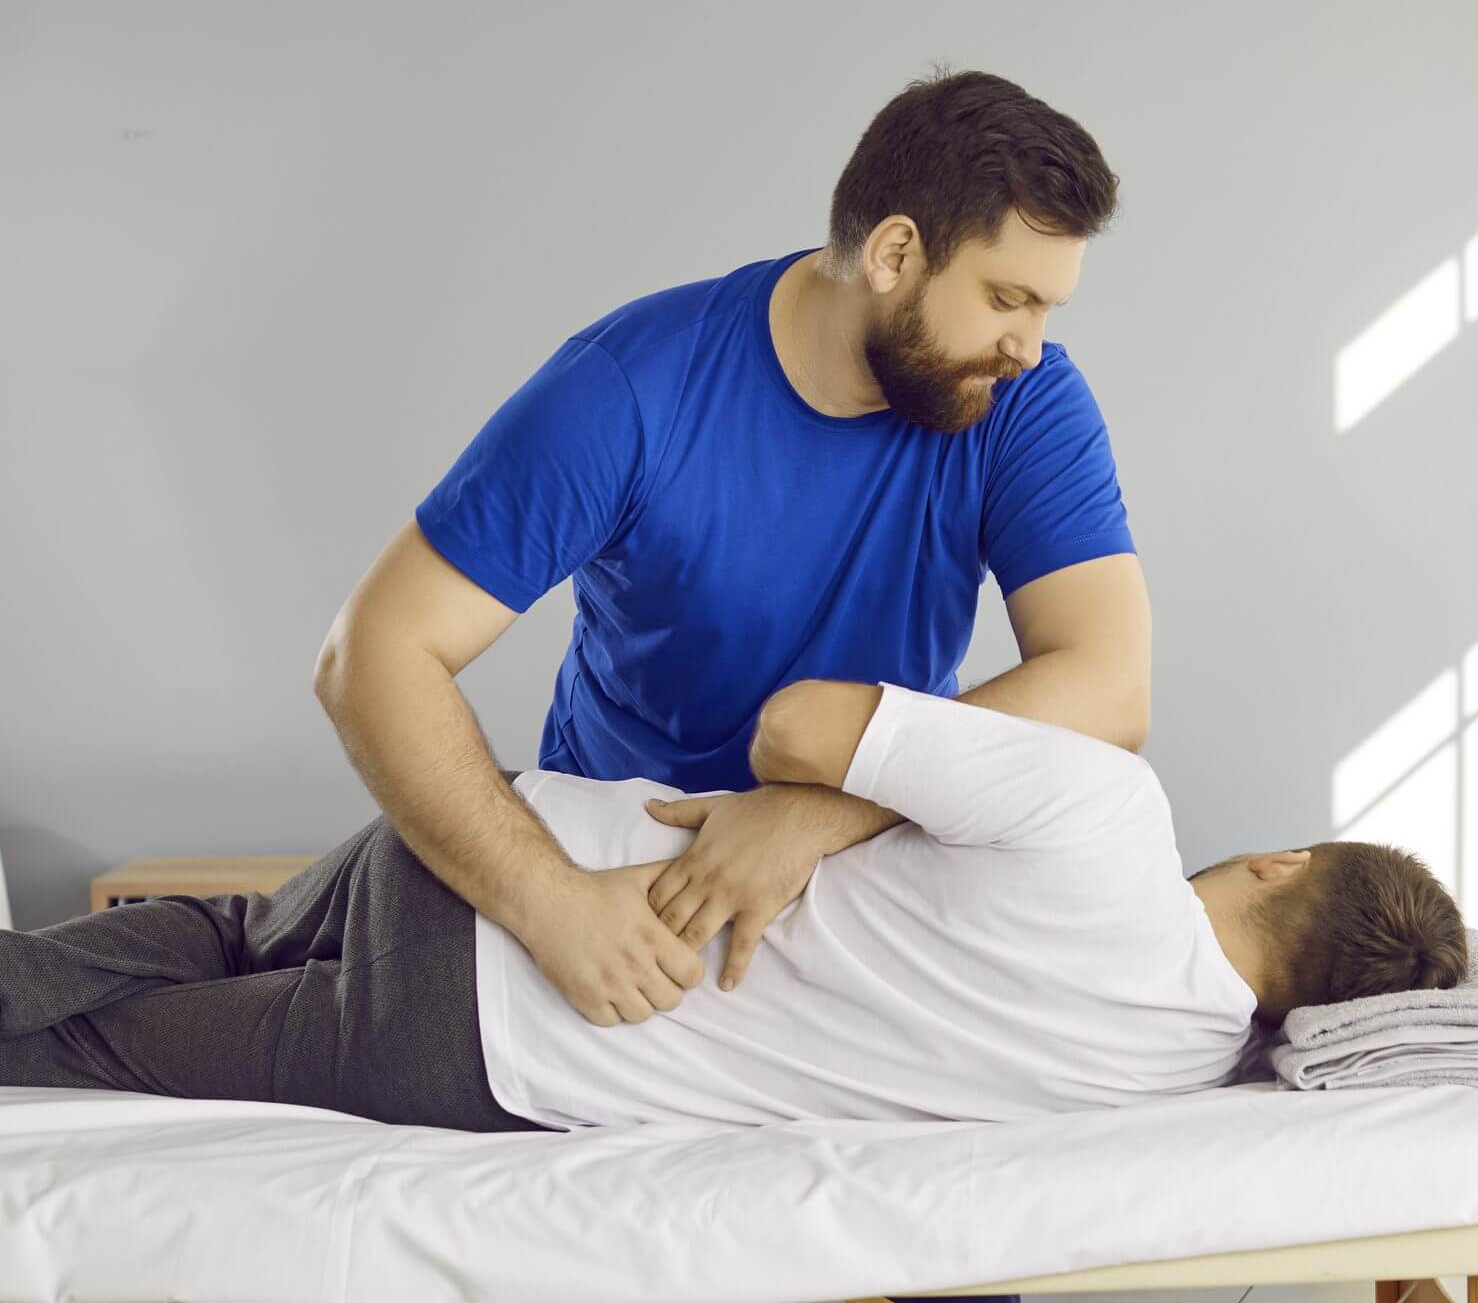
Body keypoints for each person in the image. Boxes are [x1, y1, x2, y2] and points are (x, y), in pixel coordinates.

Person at [309, 66, 1152, 1055]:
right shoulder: (632, 389)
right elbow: (371, 654)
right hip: (632, 884)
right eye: (1008, 298)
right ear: (893, 252)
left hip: (869, 851)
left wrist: (821, 808)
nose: (1029, 345)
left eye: (1049, 308)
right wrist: (550, 905)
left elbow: (1108, 688)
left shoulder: (1028, 399)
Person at [0, 683, 1469, 1133]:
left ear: (1283, 865)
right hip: (479, 1067)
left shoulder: (1106, 817)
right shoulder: (1171, 1083)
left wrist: (840, 812)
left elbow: (792, 731)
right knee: (109, 1044)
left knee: (211, 930)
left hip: (496, 855)